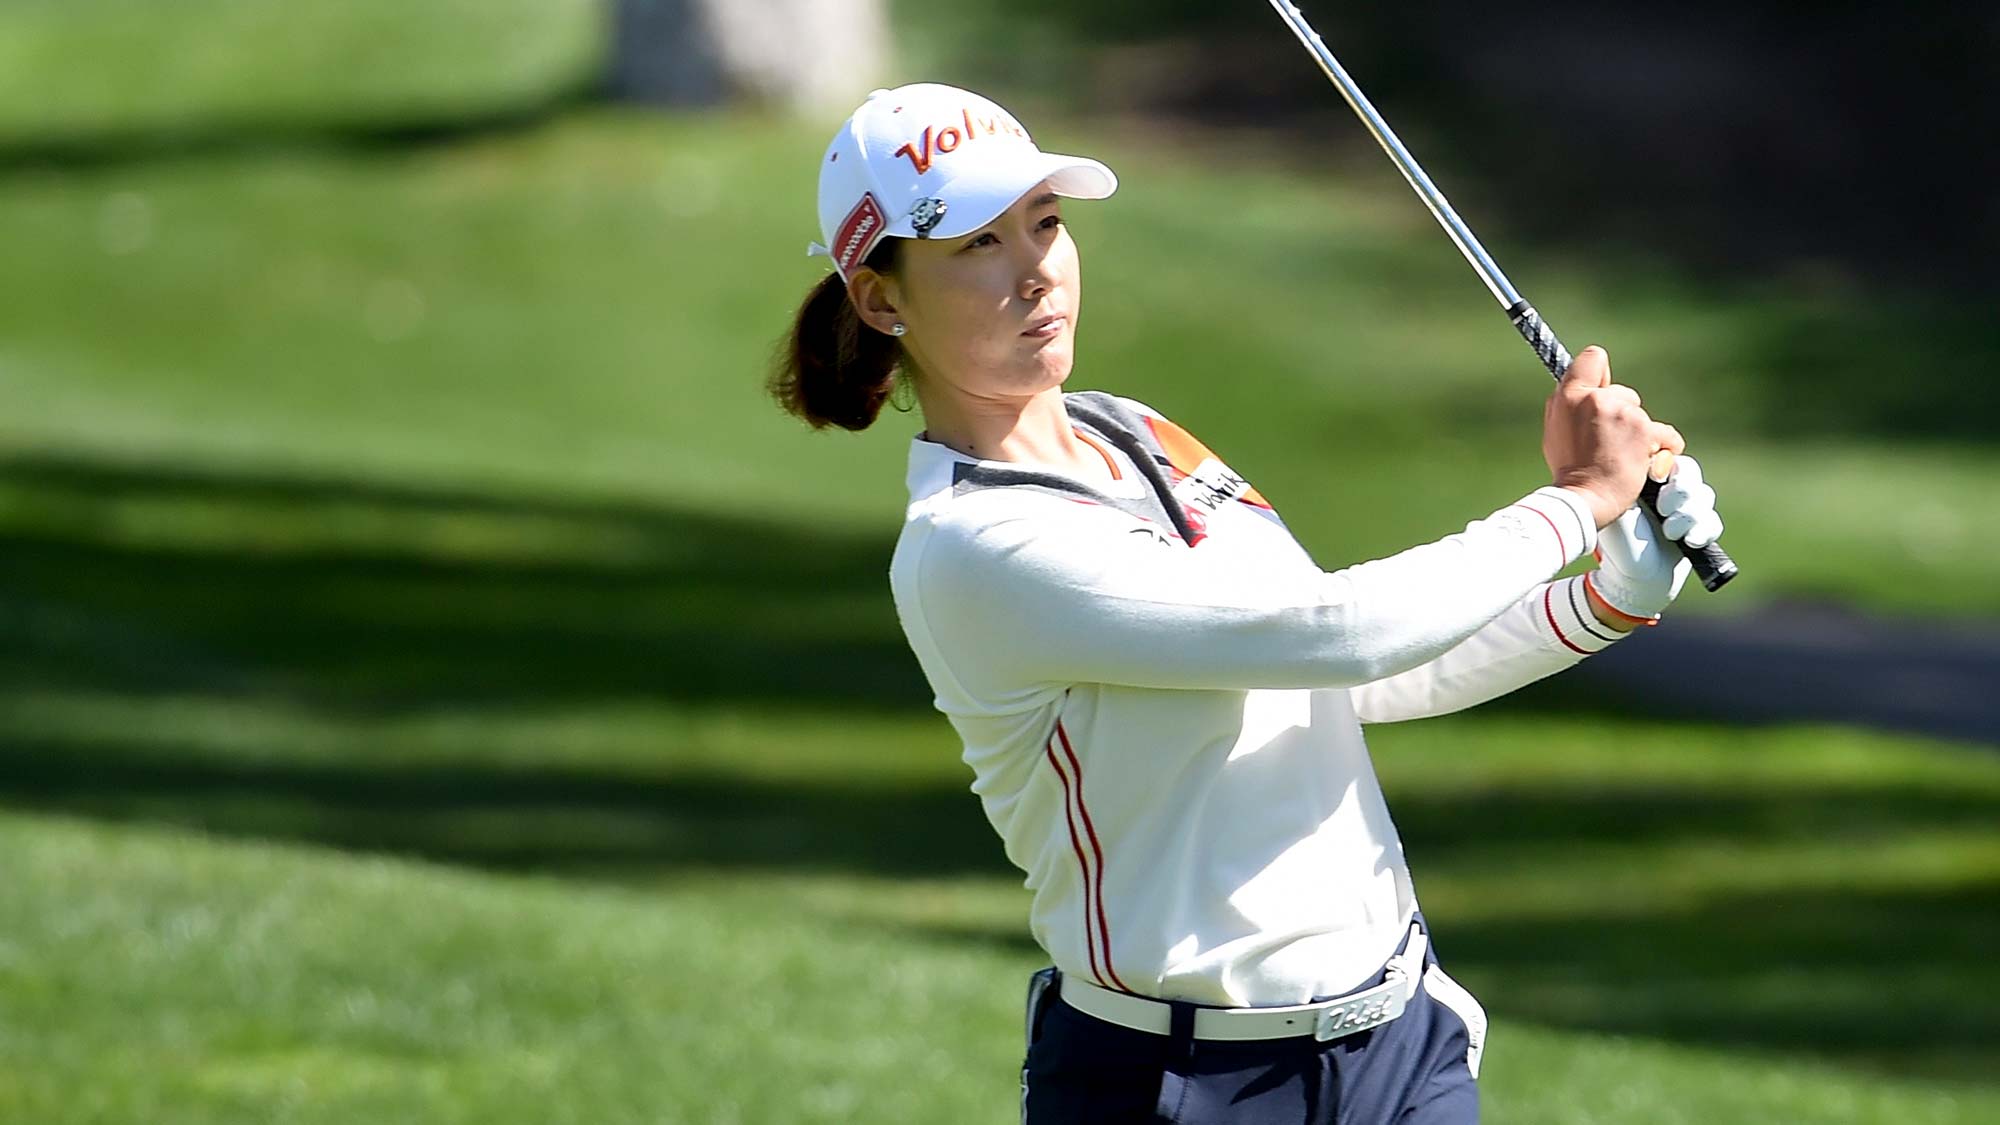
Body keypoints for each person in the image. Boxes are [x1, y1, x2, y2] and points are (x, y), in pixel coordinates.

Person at [770, 83, 1723, 1125]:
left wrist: (1609, 594)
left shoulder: (1133, 430)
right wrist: (1579, 500)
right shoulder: (971, 549)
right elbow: (1338, 635)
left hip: (1396, 1044)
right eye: (975, 246)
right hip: (1179, 1085)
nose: (1034, 268)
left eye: (1043, 224)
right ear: (878, 299)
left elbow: (1336, 679)